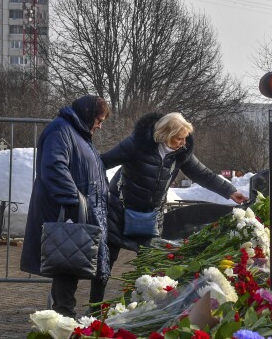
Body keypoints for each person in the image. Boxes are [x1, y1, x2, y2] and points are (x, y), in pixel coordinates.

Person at [90, 112, 248, 304]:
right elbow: (102, 162)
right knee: (105, 263)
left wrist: (230, 191)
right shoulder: (136, 143)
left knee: (148, 266)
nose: (183, 143)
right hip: (118, 212)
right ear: (165, 134)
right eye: (179, 138)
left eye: (185, 138)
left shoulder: (181, 153)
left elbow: (203, 174)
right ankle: (93, 306)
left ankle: (139, 309)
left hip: (150, 217)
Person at [20, 95, 111, 318]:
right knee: (67, 265)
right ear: (88, 114)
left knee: (69, 265)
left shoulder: (78, 133)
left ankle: (62, 317)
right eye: (99, 120)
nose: (99, 125)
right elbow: (53, 168)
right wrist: (77, 201)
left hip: (76, 211)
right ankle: (63, 318)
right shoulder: (61, 130)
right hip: (66, 212)